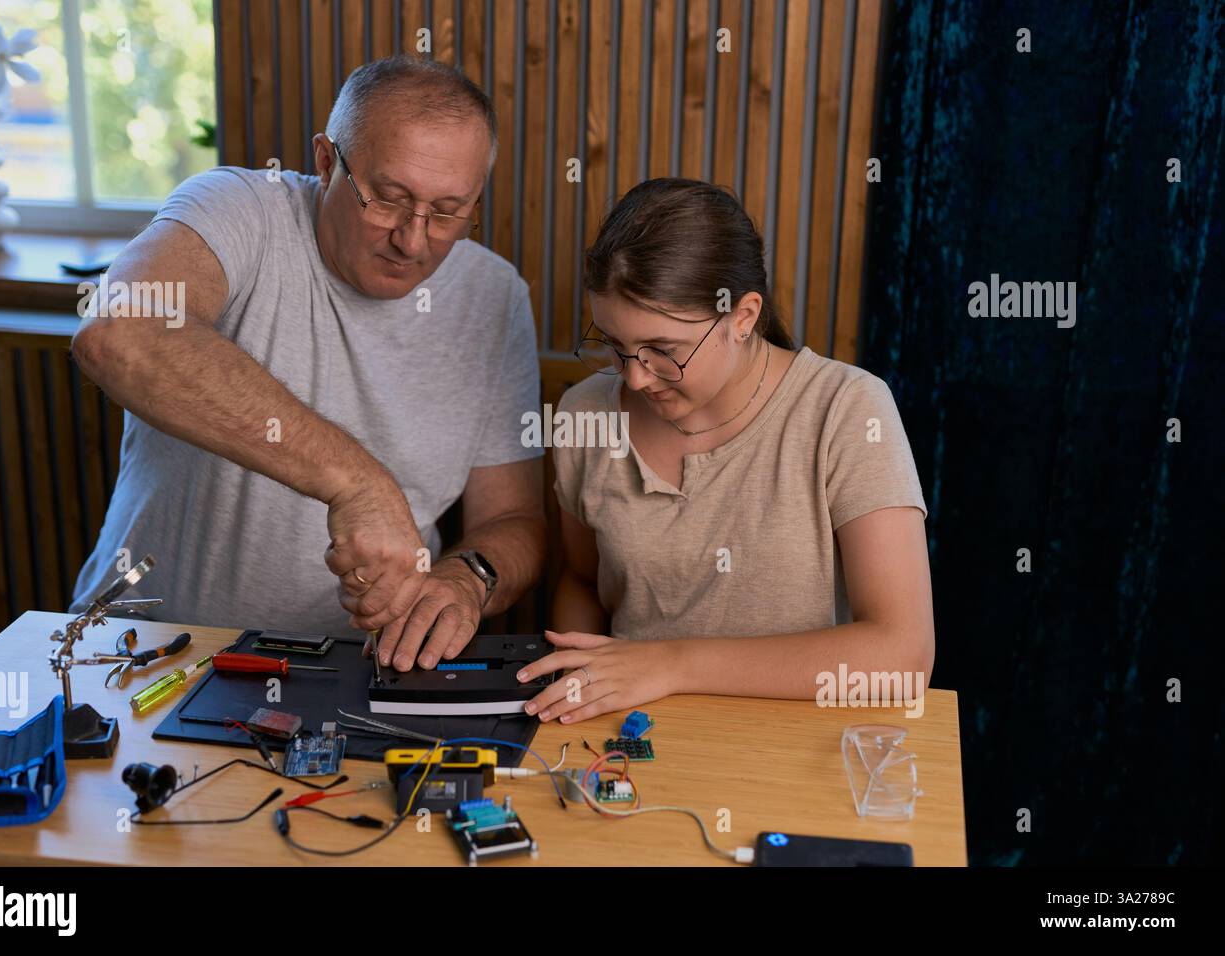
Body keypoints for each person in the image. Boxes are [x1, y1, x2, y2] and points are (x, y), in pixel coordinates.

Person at [70, 55, 545, 670]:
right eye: (388, 199)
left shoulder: (496, 296)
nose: (414, 239)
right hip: (147, 652)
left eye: (449, 211)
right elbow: (119, 331)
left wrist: (464, 579)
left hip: (357, 669)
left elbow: (515, 519)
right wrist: (358, 483)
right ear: (326, 162)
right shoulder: (238, 206)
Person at [518, 178, 934, 723]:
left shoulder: (848, 407)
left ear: (742, 316)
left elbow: (901, 655)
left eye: (664, 351)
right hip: (631, 739)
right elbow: (581, 580)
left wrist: (672, 665)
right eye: (618, 349)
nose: (637, 379)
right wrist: (575, 688)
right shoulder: (584, 414)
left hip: (798, 749)